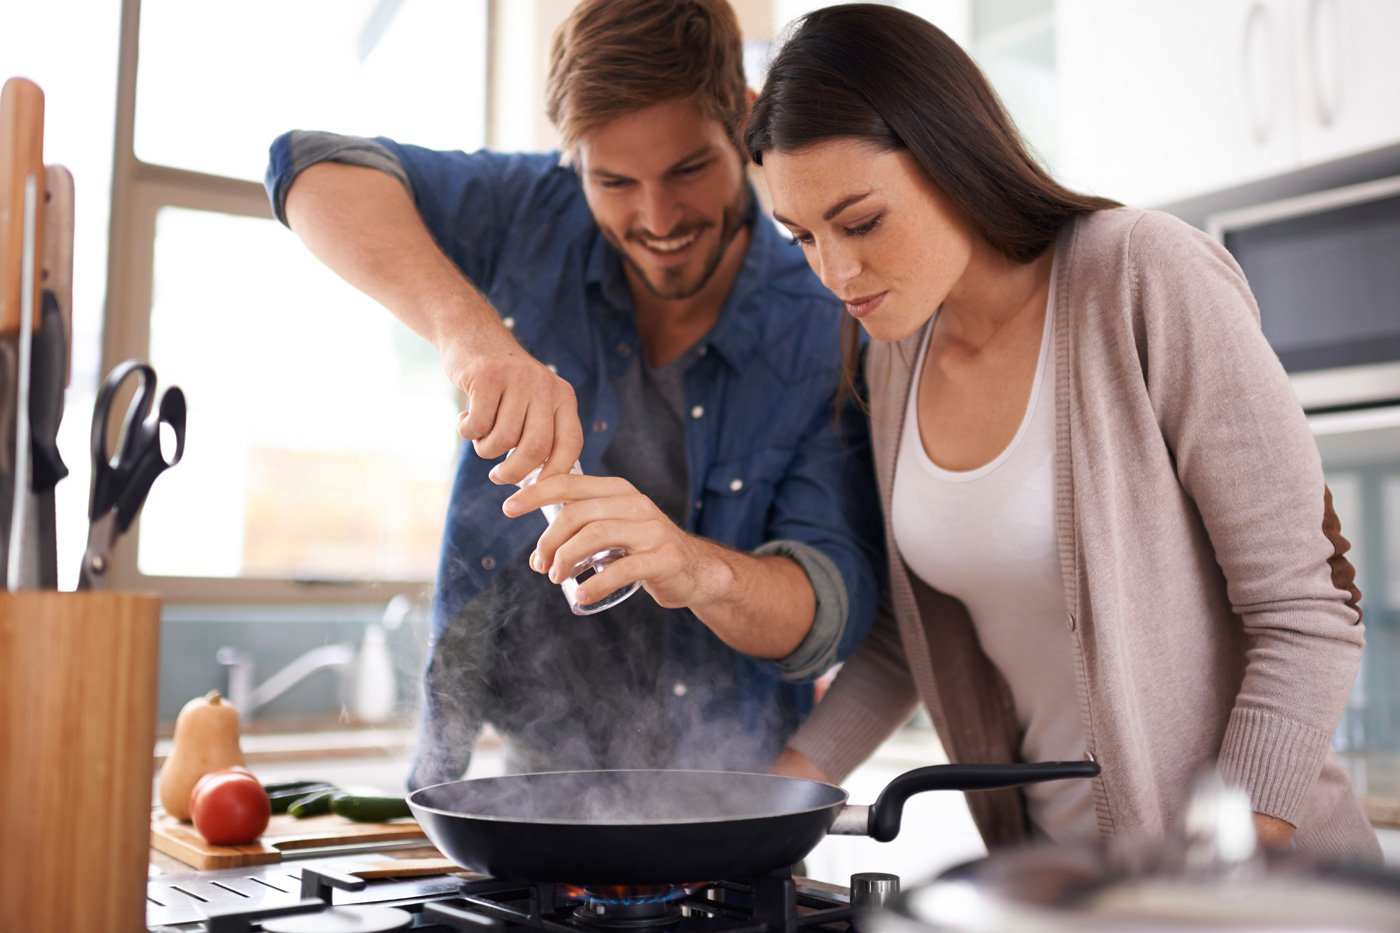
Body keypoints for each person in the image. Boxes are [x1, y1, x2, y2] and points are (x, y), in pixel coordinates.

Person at [745, 3, 1379, 860]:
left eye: (860, 223)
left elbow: (1306, 612)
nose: (836, 272)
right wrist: (762, 808)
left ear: (950, 155)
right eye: (803, 237)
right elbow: (914, 634)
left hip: (1255, 887)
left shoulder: (1144, 277)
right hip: (1056, 881)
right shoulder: (897, 349)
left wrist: (1215, 873)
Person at [264, 0, 882, 787]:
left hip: (730, 811)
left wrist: (692, 568)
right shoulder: (532, 211)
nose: (656, 219)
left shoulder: (823, 321)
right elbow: (306, 166)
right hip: (519, 779)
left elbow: (827, 607)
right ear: (574, 162)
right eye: (614, 180)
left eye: (688, 169)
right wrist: (476, 340)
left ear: (748, 126)